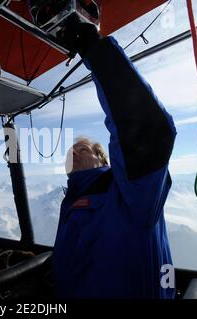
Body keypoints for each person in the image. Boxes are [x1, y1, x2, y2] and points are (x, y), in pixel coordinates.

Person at [51, 15, 177, 299]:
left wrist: (94, 50)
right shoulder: (70, 202)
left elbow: (148, 131)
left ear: (105, 161)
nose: (75, 151)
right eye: (71, 150)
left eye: (84, 149)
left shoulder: (130, 193)